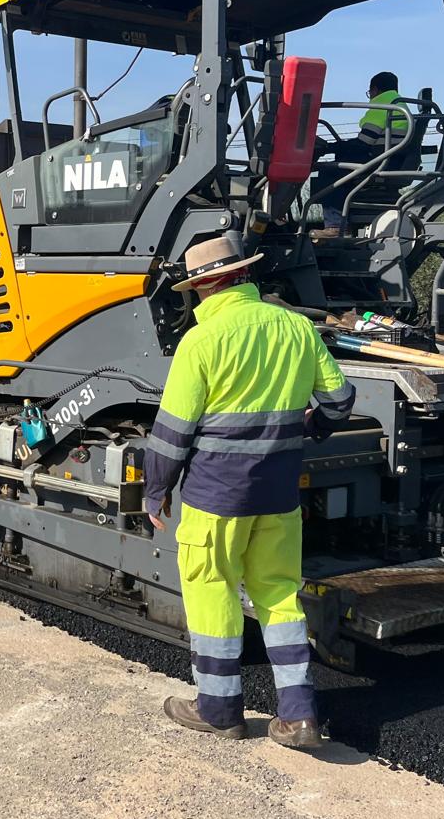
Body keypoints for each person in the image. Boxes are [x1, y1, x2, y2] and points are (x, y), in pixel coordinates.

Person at [143, 233, 355, 749]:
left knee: (212, 590)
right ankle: (300, 716)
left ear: (208, 285)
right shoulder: (297, 328)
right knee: (280, 595)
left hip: (216, 497)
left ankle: (218, 709)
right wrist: (310, 425)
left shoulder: (202, 341)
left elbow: (172, 433)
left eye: (196, 290)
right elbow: (340, 400)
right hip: (279, 494)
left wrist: (155, 491)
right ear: (245, 277)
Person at [316, 71, 410, 237]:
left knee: (329, 172)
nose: (370, 97)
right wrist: (337, 147)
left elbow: (364, 142)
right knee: (341, 162)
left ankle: (336, 225)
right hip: (391, 161)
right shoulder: (400, 105)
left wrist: (332, 148)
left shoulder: (383, 106)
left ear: (375, 90)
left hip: (379, 164)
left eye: (370, 92)